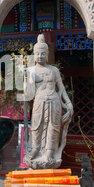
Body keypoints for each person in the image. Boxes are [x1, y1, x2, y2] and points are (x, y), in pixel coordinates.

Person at [24, 34, 73, 168]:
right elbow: (28, 94)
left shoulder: (54, 70)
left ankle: (50, 152)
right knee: (37, 126)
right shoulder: (31, 70)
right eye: (37, 54)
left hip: (54, 101)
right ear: (34, 54)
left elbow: (61, 88)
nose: (40, 57)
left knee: (53, 127)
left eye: (43, 54)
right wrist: (26, 79)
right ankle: (35, 149)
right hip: (39, 102)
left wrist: (68, 103)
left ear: (47, 54)